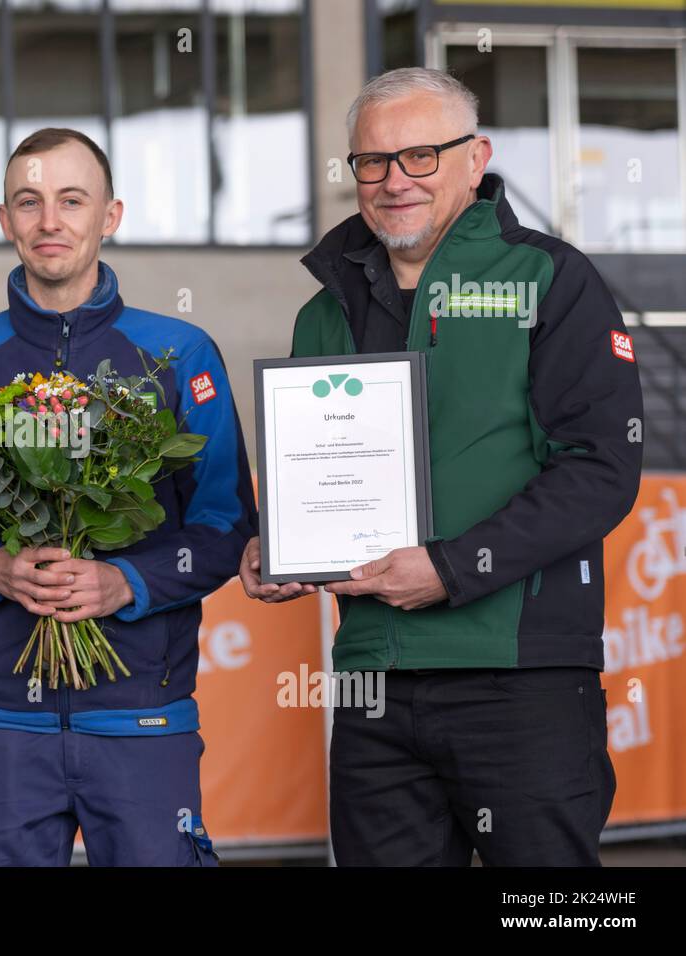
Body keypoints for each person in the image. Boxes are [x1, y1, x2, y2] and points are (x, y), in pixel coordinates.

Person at [240, 67, 643, 866]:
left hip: (520, 677)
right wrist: (283, 547)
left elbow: (600, 468)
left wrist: (452, 569)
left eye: (421, 155)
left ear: (475, 157)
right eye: (373, 161)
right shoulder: (323, 311)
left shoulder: (550, 280)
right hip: (372, 681)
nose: (395, 181)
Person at [0, 128, 256, 866]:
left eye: (71, 201)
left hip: (143, 717)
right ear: (5, 220)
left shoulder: (180, 356)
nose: (49, 221)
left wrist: (126, 581)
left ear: (110, 216)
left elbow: (226, 525)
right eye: (30, 202)